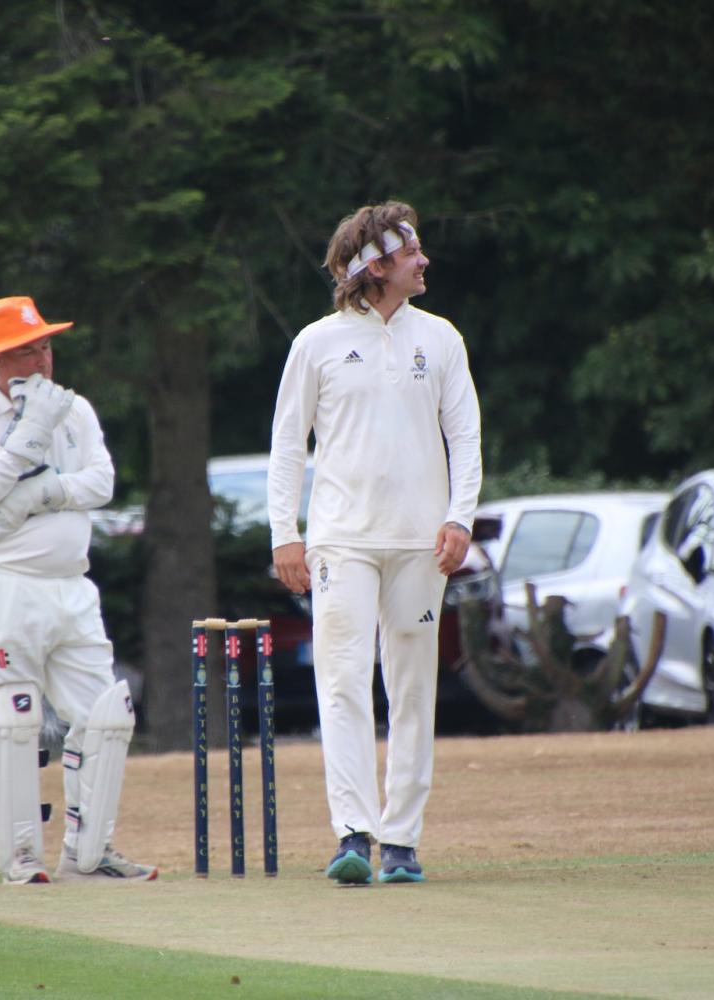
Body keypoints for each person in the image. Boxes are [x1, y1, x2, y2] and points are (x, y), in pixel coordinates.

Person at [267, 202, 482, 885]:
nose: (424, 261)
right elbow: (287, 446)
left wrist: (460, 518)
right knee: (343, 682)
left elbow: (465, 436)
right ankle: (352, 834)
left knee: (413, 688)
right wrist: (285, 535)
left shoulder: (440, 338)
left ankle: (402, 841)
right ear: (377, 265)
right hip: (342, 541)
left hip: (422, 542)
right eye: (412, 251)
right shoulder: (318, 343)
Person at [0, 295, 156, 885]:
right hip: (3, 585)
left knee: (104, 716)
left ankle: (90, 854)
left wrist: (41, 494)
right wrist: (28, 437)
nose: (41, 360)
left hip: (71, 586)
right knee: (14, 716)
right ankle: (21, 856)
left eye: (44, 347)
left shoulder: (75, 408)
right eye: (26, 352)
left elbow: (102, 482)